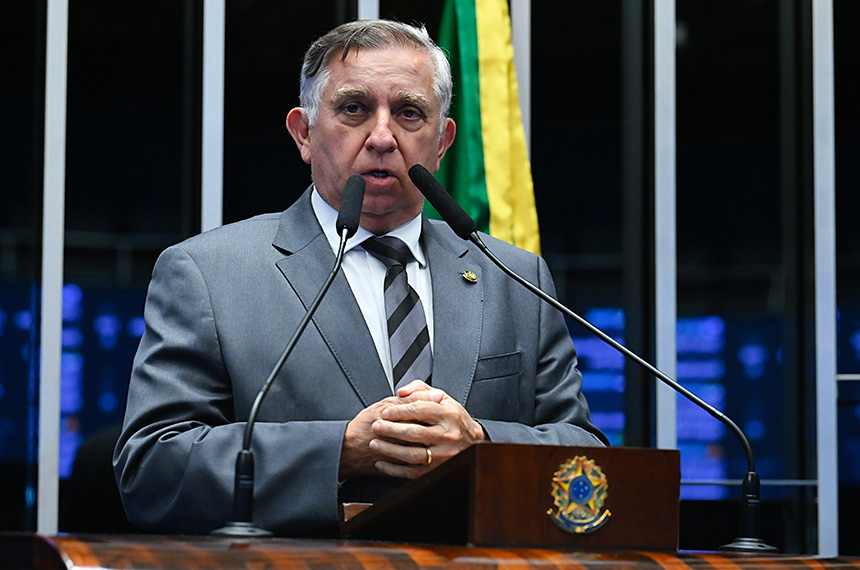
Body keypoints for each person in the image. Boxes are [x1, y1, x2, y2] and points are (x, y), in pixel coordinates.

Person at [113, 19, 608, 537]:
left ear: (442, 142)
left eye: (409, 113)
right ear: (303, 133)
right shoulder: (209, 274)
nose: (381, 136)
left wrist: (479, 444)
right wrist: (342, 450)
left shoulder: (513, 278)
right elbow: (150, 469)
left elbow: (586, 459)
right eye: (353, 108)